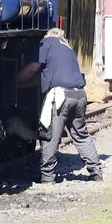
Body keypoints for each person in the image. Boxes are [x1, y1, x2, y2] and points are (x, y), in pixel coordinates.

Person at [17, 28, 102, 183]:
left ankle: (47, 177)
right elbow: (46, 77)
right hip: (79, 95)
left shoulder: (47, 42)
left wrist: (14, 80)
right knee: (81, 135)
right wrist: (23, 86)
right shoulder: (67, 48)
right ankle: (96, 172)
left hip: (61, 97)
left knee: (50, 136)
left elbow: (32, 69)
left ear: (50, 34)